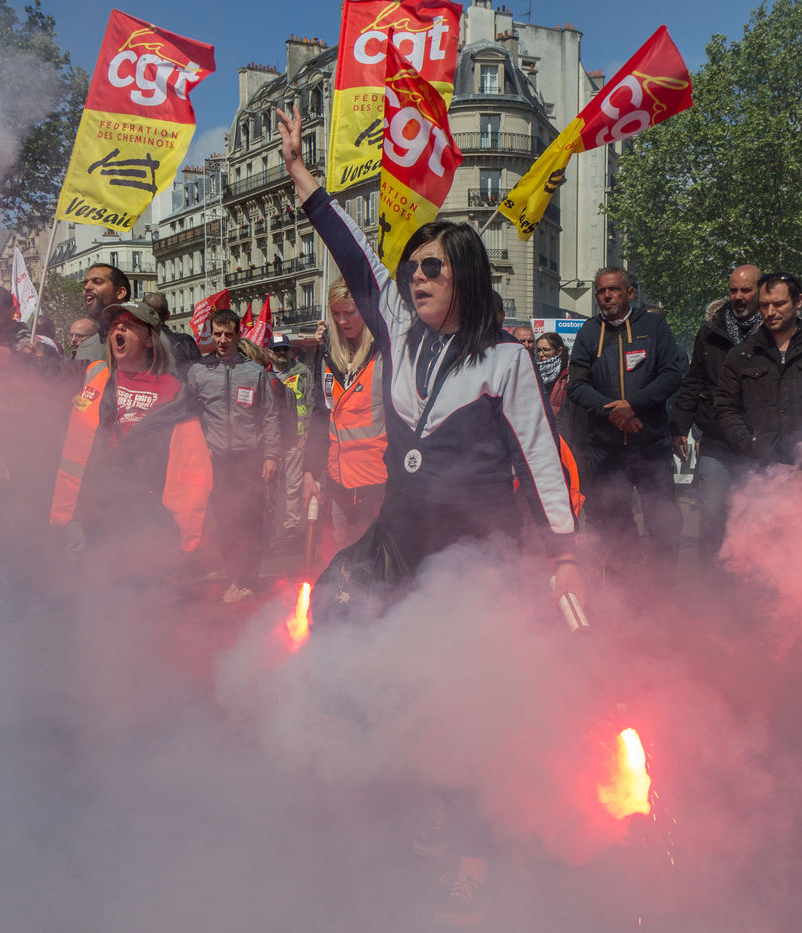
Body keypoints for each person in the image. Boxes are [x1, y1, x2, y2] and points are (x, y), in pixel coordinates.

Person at [280, 102, 580, 927]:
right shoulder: (397, 331)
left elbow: (542, 459)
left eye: (434, 269)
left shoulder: (507, 359)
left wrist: (564, 553)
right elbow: (350, 248)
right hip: (398, 541)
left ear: (466, 278)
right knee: (348, 633)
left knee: (467, 702)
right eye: (412, 267)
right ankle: (406, 793)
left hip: (475, 557)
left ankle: (478, 846)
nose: (416, 278)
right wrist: (301, 173)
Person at [49, 299, 212, 566]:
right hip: (100, 508)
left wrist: (189, 530)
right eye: (115, 324)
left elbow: (191, 463)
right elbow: (49, 371)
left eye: (129, 324)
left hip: (147, 511)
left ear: (149, 339)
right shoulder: (97, 376)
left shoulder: (174, 390)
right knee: (98, 579)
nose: (119, 329)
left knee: (140, 580)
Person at [566, 266, 685, 577]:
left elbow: (671, 374)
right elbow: (576, 385)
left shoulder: (654, 326)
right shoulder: (588, 332)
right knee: (614, 524)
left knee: (662, 520)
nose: (607, 296)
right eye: (601, 291)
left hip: (650, 446)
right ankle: (625, 588)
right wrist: (613, 413)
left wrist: (634, 406)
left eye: (614, 289)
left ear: (630, 293)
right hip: (606, 451)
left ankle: (661, 584)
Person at [184, 309, 281, 602]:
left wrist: (271, 456)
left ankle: (248, 578)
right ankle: (233, 578)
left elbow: (270, 416)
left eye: (229, 334)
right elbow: (188, 416)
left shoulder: (254, 372)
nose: (223, 340)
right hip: (215, 461)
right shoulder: (198, 372)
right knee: (225, 520)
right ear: (211, 335)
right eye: (218, 334)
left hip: (249, 458)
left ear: (239, 335)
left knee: (250, 520)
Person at [670, 263, 761, 567]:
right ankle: (710, 579)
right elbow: (694, 380)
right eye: (733, 290)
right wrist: (679, 426)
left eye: (746, 290)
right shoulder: (710, 332)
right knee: (711, 510)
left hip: (759, 441)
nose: (739, 296)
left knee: (754, 515)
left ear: (760, 291)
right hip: (717, 439)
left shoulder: (774, 332)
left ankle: (748, 577)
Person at [303, 279, 388, 561]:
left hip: (377, 478)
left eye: (349, 312)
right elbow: (320, 413)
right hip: (338, 478)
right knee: (338, 553)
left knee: (373, 557)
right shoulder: (328, 352)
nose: (342, 321)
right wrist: (310, 470)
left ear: (365, 310)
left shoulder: (384, 351)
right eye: (336, 313)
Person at [714, 272, 802, 466]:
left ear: (798, 301)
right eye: (764, 305)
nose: (770, 312)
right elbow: (725, 408)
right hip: (757, 469)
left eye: (779, 304)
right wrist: (750, 446)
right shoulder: (741, 355)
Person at [270, 334, 314, 542]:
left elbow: (311, 402)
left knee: (293, 485)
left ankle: (291, 526)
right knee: (270, 485)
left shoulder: (303, 372)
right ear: (270, 352)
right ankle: (269, 524)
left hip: (296, 437)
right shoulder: (263, 374)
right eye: (277, 349)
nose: (281, 353)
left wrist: (307, 432)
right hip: (272, 438)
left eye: (285, 349)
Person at [77, 264, 130, 361]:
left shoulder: (145, 341)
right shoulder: (84, 349)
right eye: (85, 284)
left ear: (120, 292)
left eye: (97, 282)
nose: (87, 287)